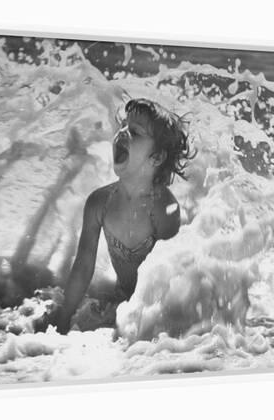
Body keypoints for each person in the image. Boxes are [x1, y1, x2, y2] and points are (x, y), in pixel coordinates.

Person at [53, 98, 195, 334]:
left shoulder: (163, 210)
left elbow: (172, 280)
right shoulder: (100, 203)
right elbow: (83, 266)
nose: (122, 134)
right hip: (120, 303)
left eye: (135, 133)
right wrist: (64, 316)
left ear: (156, 158)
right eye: (123, 126)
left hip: (150, 312)